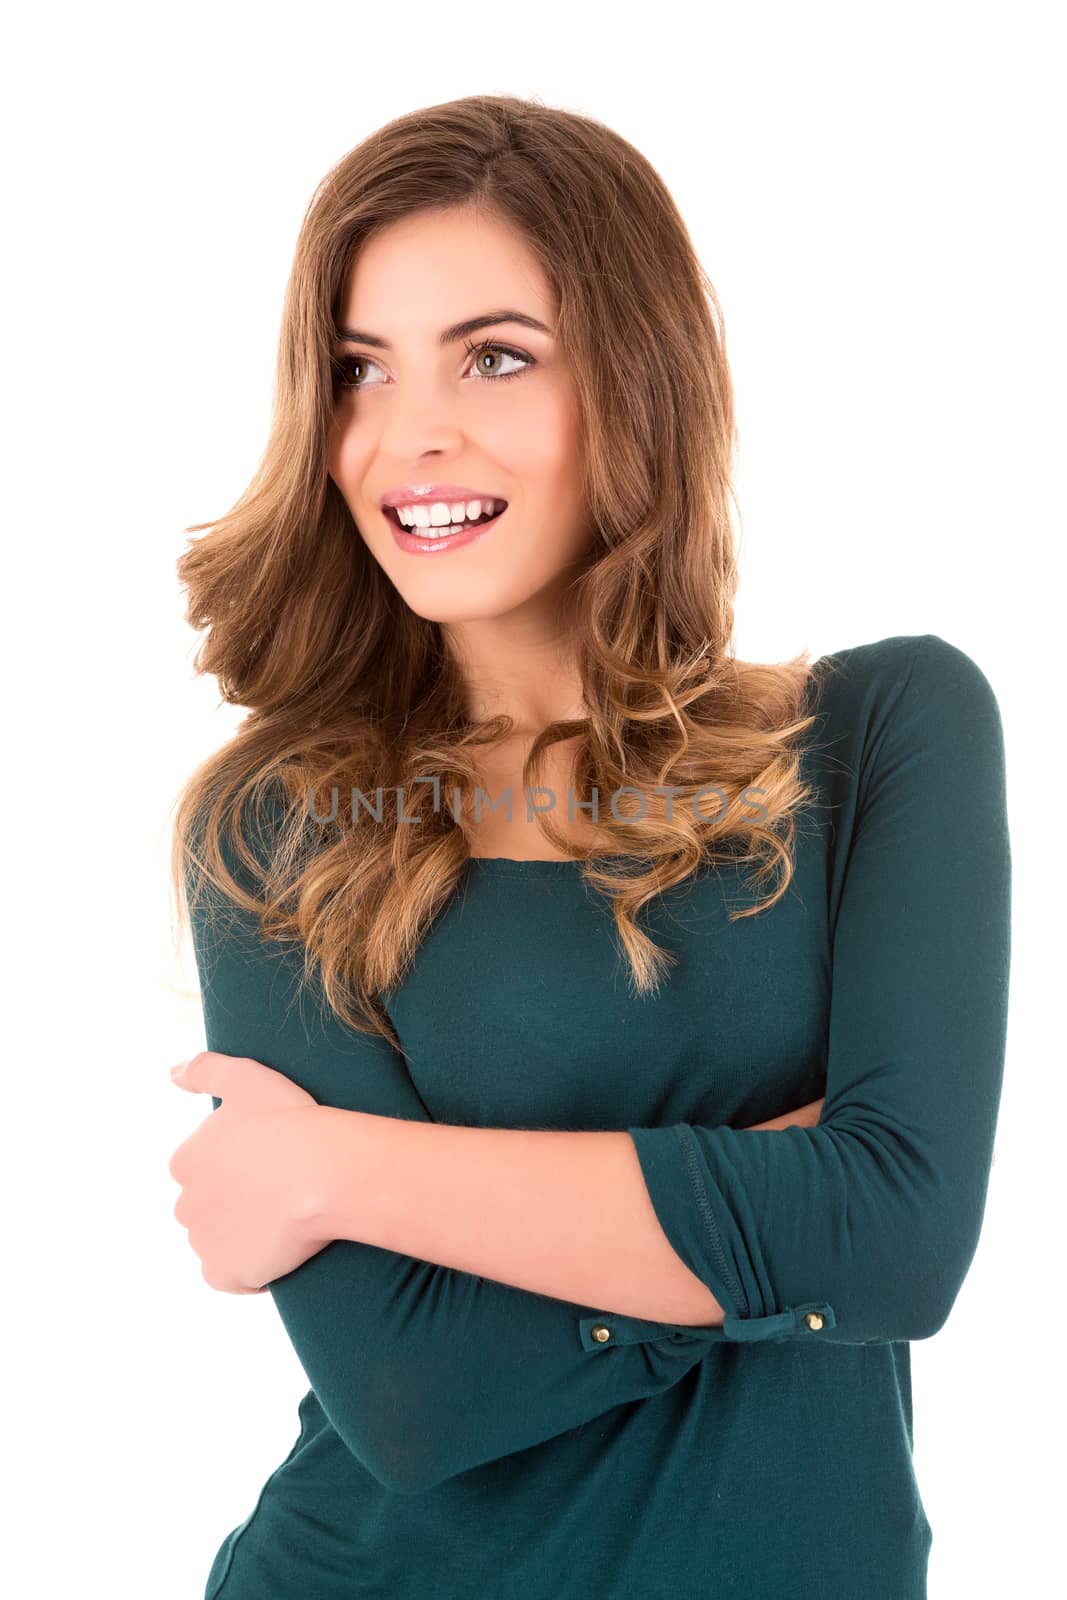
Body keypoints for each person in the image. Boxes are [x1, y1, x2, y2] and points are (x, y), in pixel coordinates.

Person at [166, 94, 1011, 1600]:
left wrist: (338, 1167)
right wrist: (791, 1217)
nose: (411, 433)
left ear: (637, 379)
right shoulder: (282, 822)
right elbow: (418, 1401)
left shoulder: (887, 733)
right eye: (360, 370)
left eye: (495, 355)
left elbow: (902, 1247)